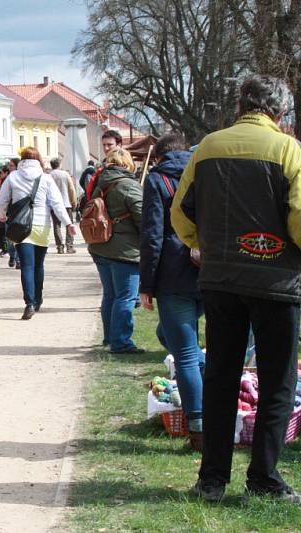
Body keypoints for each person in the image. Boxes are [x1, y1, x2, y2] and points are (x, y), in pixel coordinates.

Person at [172, 76, 301, 504]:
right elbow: (300, 217)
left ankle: (212, 479)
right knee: (277, 381)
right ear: (279, 112)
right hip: (277, 282)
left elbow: (181, 210)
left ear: (241, 104)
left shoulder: (208, 146)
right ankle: (264, 476)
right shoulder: (288, 149)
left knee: (222, 377)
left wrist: (199, 244)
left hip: (221, 279)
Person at [138, 133, 203, 450]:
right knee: (174, 337)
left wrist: (146, 284)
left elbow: (152, 234)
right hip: (209, 271)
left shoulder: (157, 179)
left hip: (173, 273)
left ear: (160, 156)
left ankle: (199, 426)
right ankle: (206, 399)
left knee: (186, 355)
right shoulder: (204, 173)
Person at [0, 147, 76, 319]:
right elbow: (57, 203)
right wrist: (68, 223)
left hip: (21, 226)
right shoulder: (45, 178)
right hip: (42, 225)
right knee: (39, 265)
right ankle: (38, 299)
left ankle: (29, 303)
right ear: (38, 159)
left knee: (26, 266)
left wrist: (2, 216)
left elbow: (1, 201)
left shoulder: (13, 176)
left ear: (22, 159)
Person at [88, 147, 143, 353]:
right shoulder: (128, 185)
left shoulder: (99, 183)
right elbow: (143, 217)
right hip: (125, 250)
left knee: (110, 294)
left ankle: (109, 337)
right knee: (125, 296)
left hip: (101, 246)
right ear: (127, 163)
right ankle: (121, 342)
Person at [49, 158, 77, 254]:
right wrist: (74, 201)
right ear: (60, 164)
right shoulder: (65, 174)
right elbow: (71, 189)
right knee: (69, 224)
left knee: (56, 226)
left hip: (53, 204)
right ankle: (69, 246)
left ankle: (59, 247)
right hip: (66, 203)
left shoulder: (49, 175)